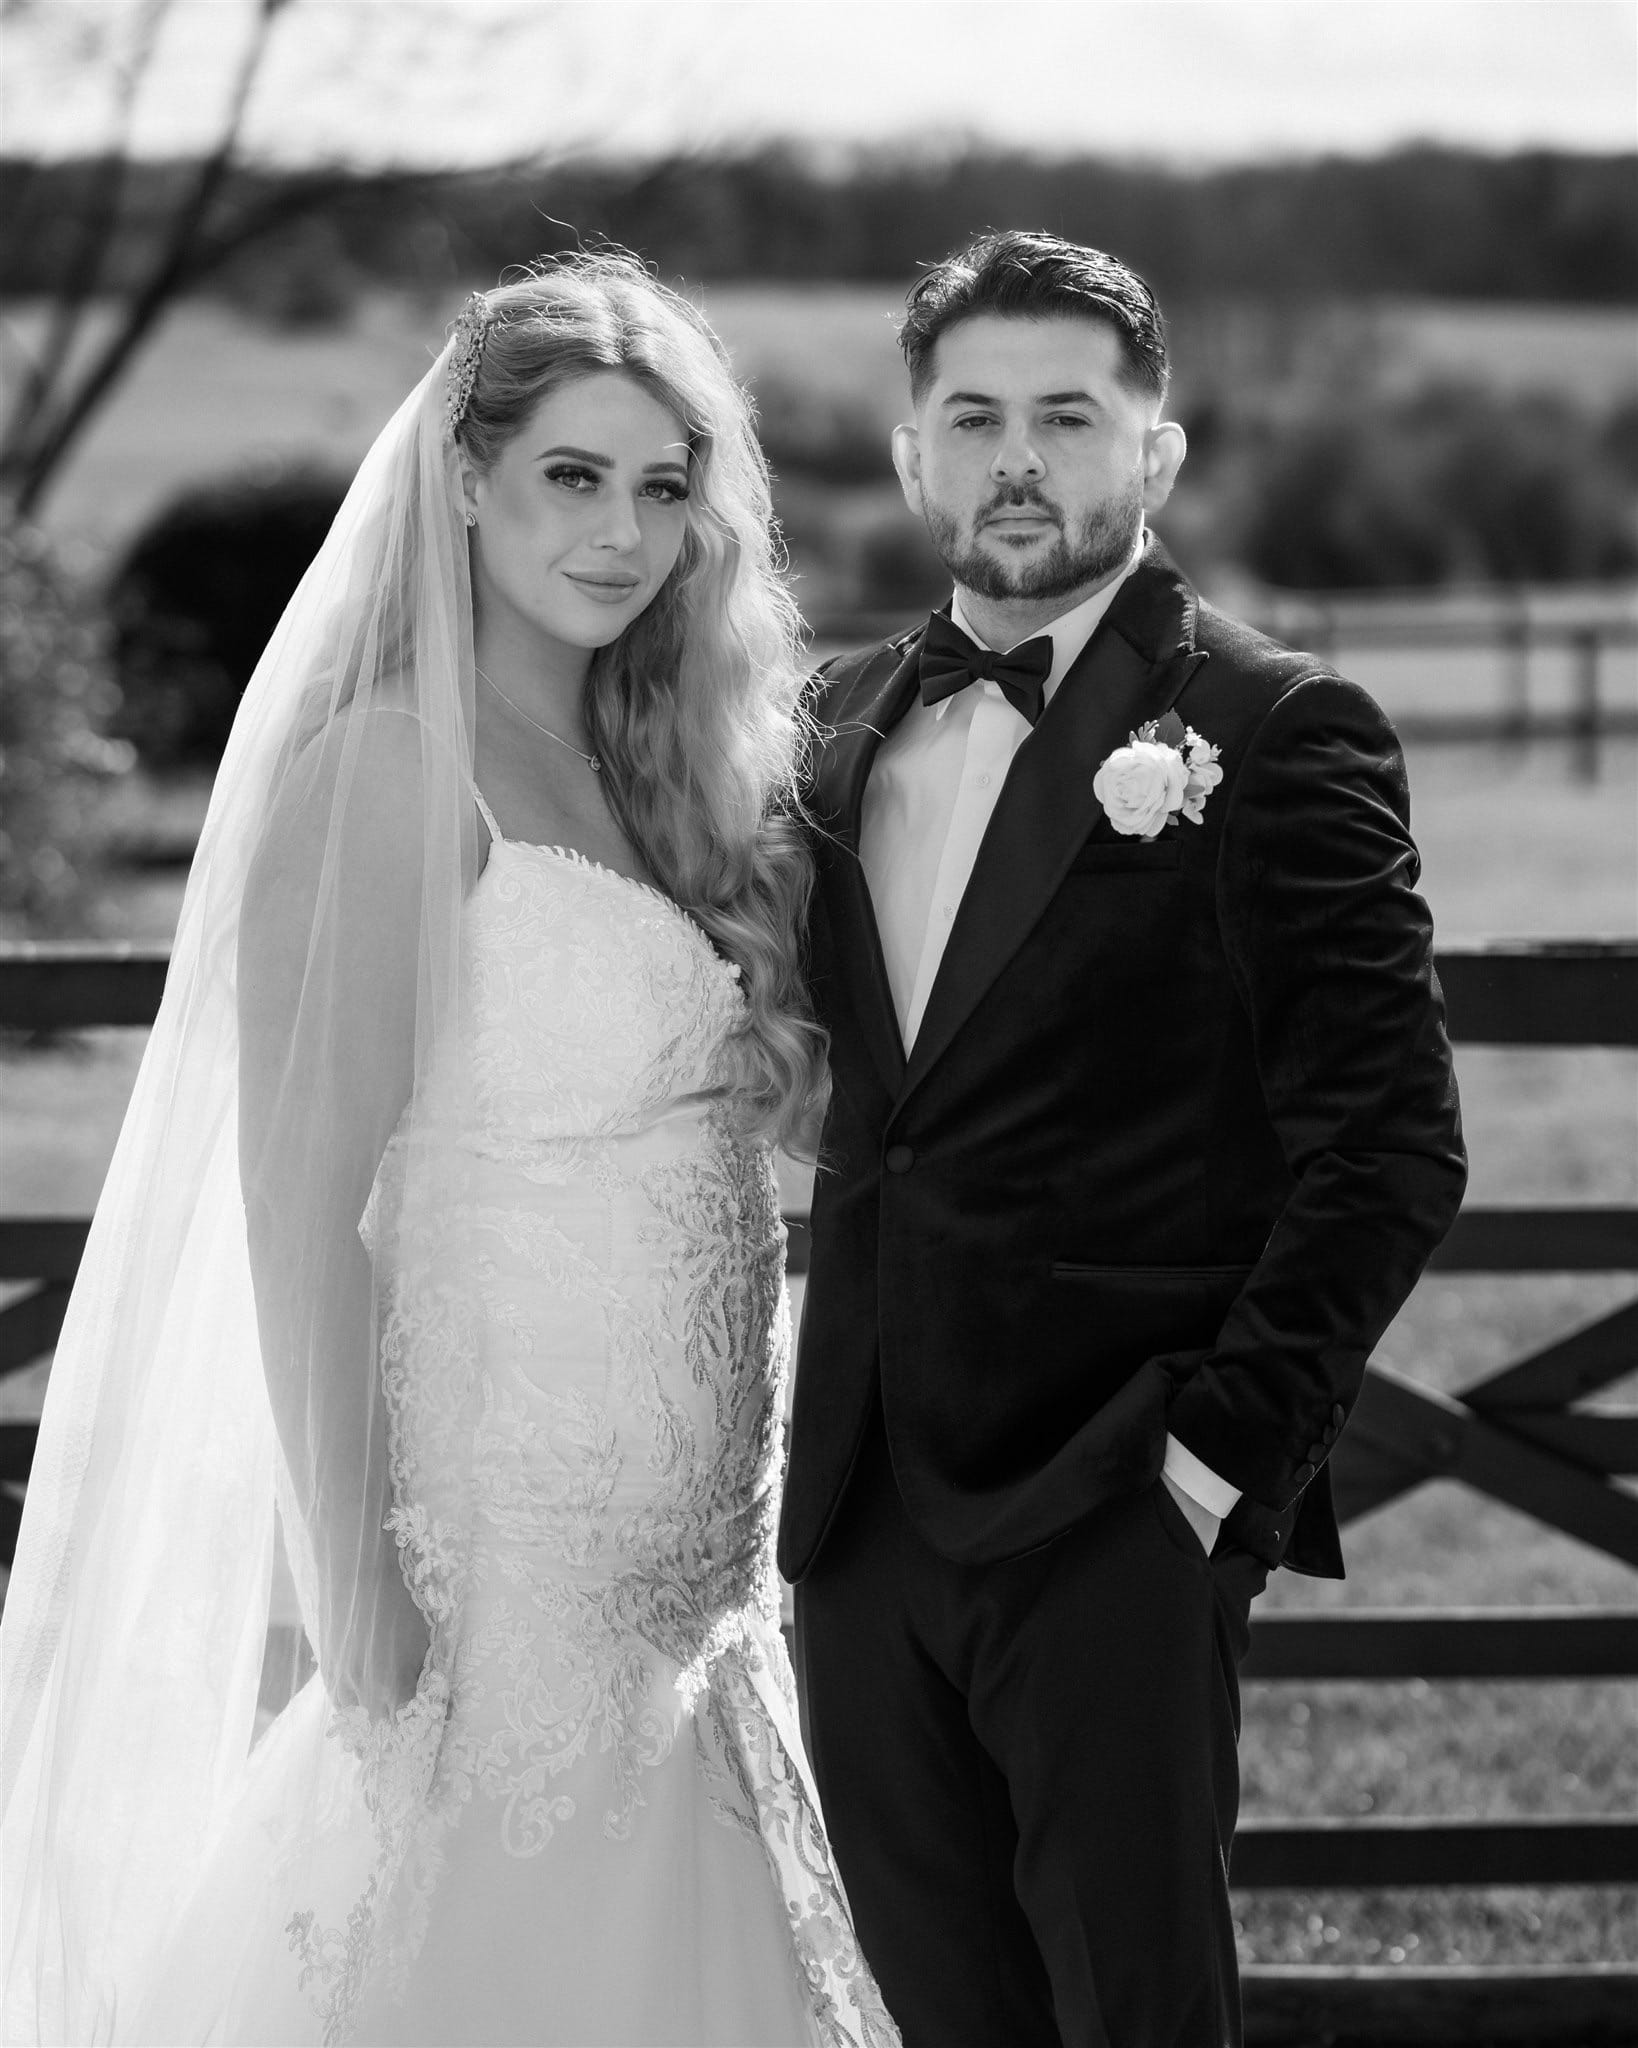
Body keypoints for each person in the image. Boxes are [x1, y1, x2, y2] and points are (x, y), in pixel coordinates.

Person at [0, 253, 899, 2048]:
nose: (622, 531)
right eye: (572, 474)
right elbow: (292, 1201)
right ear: (464, 478)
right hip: (495, 1572)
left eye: (664, 485)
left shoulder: (667, 776)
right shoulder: (393, 768)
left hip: (697, 1586)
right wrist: (358, 1590)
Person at [780, 231, 1467, 2048]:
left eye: (1069, 416)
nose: (1020, 457)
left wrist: (1211, 1463)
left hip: (1112, 1505)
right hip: (854, 1515)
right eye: (975, 414)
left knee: (1134, 2016)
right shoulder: (829, 727)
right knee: (936, 2012)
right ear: (914, 452)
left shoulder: (1272, 727)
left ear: (1153, 456)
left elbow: (1390, 1144)